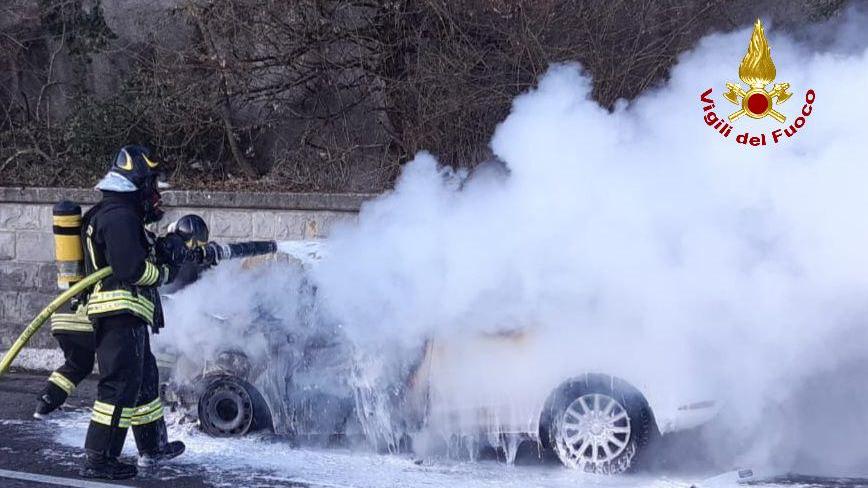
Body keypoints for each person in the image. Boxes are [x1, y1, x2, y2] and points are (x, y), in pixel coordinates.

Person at [32, 214, 211, 420]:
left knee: (76, 365)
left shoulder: (126, 245)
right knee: (134, 370)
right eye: (195, 246)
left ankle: (44, 403)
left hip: (65, 315)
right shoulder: (159, 252)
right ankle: (138, 415)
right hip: (94, 317)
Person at [79, 145, 188, 480]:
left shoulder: (124, 216)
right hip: (117, 313)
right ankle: (100, 459)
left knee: (143, 385)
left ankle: (152, 447)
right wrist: (165, 273)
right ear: (137, 182)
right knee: (119, 388)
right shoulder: (118, 216)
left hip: (130, 314)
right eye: (152, 186)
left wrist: (167, 251)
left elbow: (140, 258)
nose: (156, 194)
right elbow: (131, 269)